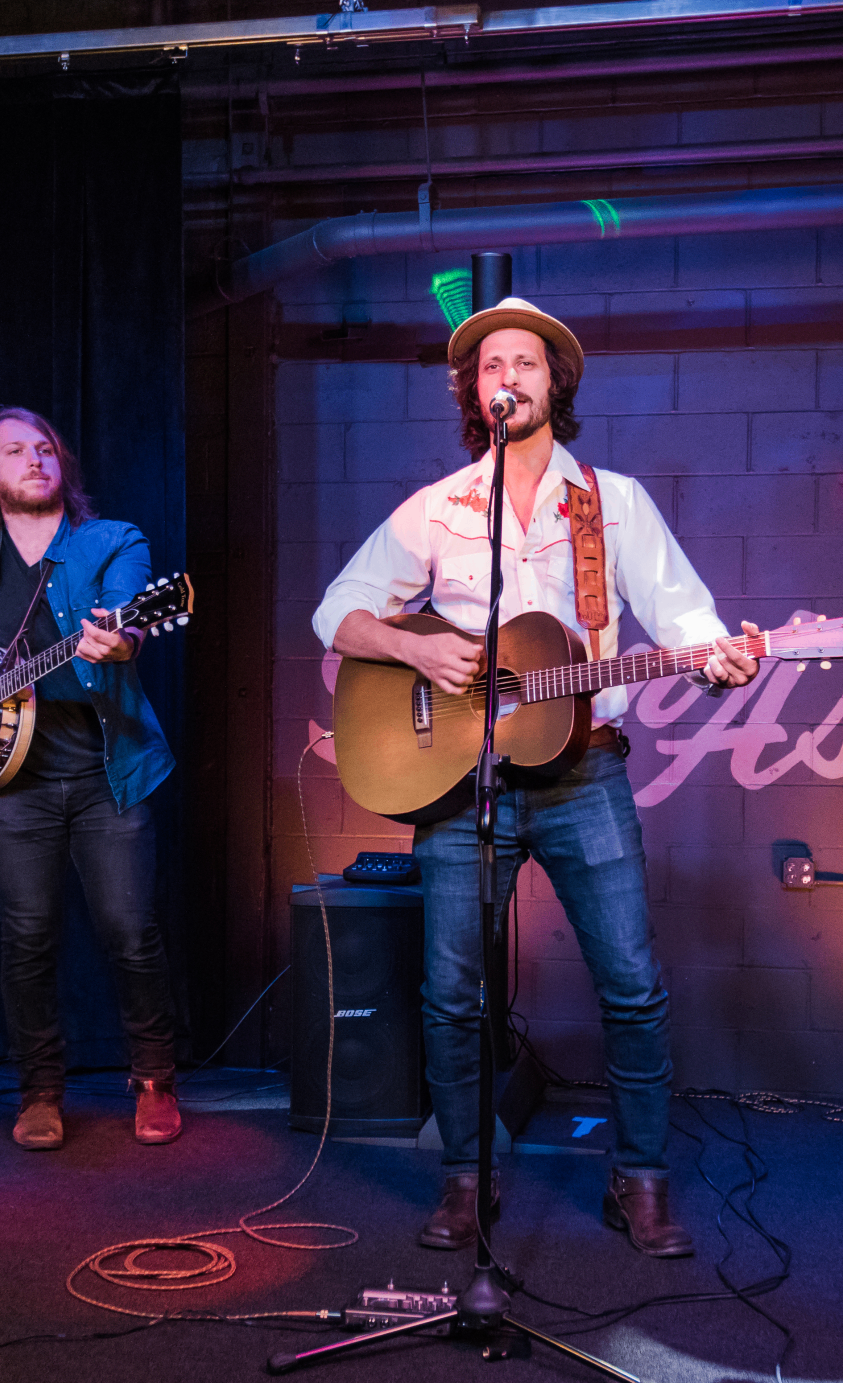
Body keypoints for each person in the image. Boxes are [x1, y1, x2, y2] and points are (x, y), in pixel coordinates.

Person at [314, 298, 762, 1257]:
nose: (507, 377)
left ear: (555, 382)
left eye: (524, 362)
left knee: (632, 984)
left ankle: (640, 1181)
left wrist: (716, 656)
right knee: (449, 992)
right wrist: (415, 649)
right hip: (462, 780)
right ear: (473, 392)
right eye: (490, 366)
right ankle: (463, 1179)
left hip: (584, 770)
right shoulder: (440, 508)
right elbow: (336, 611)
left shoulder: (612, 502)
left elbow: (685, 617)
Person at [0, 405, 182, 1150]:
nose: (34, 458)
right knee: (26, 937)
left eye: (46, 447)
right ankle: (40, 1091)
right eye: (15, 450)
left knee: (131, 930)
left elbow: (129, 618)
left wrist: (123, 637)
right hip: (8, 779)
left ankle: (154, 1080)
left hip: (107, 772)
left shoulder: (112, 539)